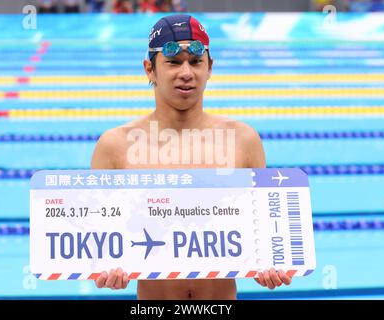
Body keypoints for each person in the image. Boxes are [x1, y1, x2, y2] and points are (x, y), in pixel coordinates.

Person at [91, 14, 292, 299]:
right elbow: (97, 238)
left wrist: (269, 265)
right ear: (150, 70)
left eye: (196, 62)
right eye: (173, 62)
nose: (186, 72)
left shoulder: (244, 140)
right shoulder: (114, 146)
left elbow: (264, 233)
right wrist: (105, 268)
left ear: (209, 68)